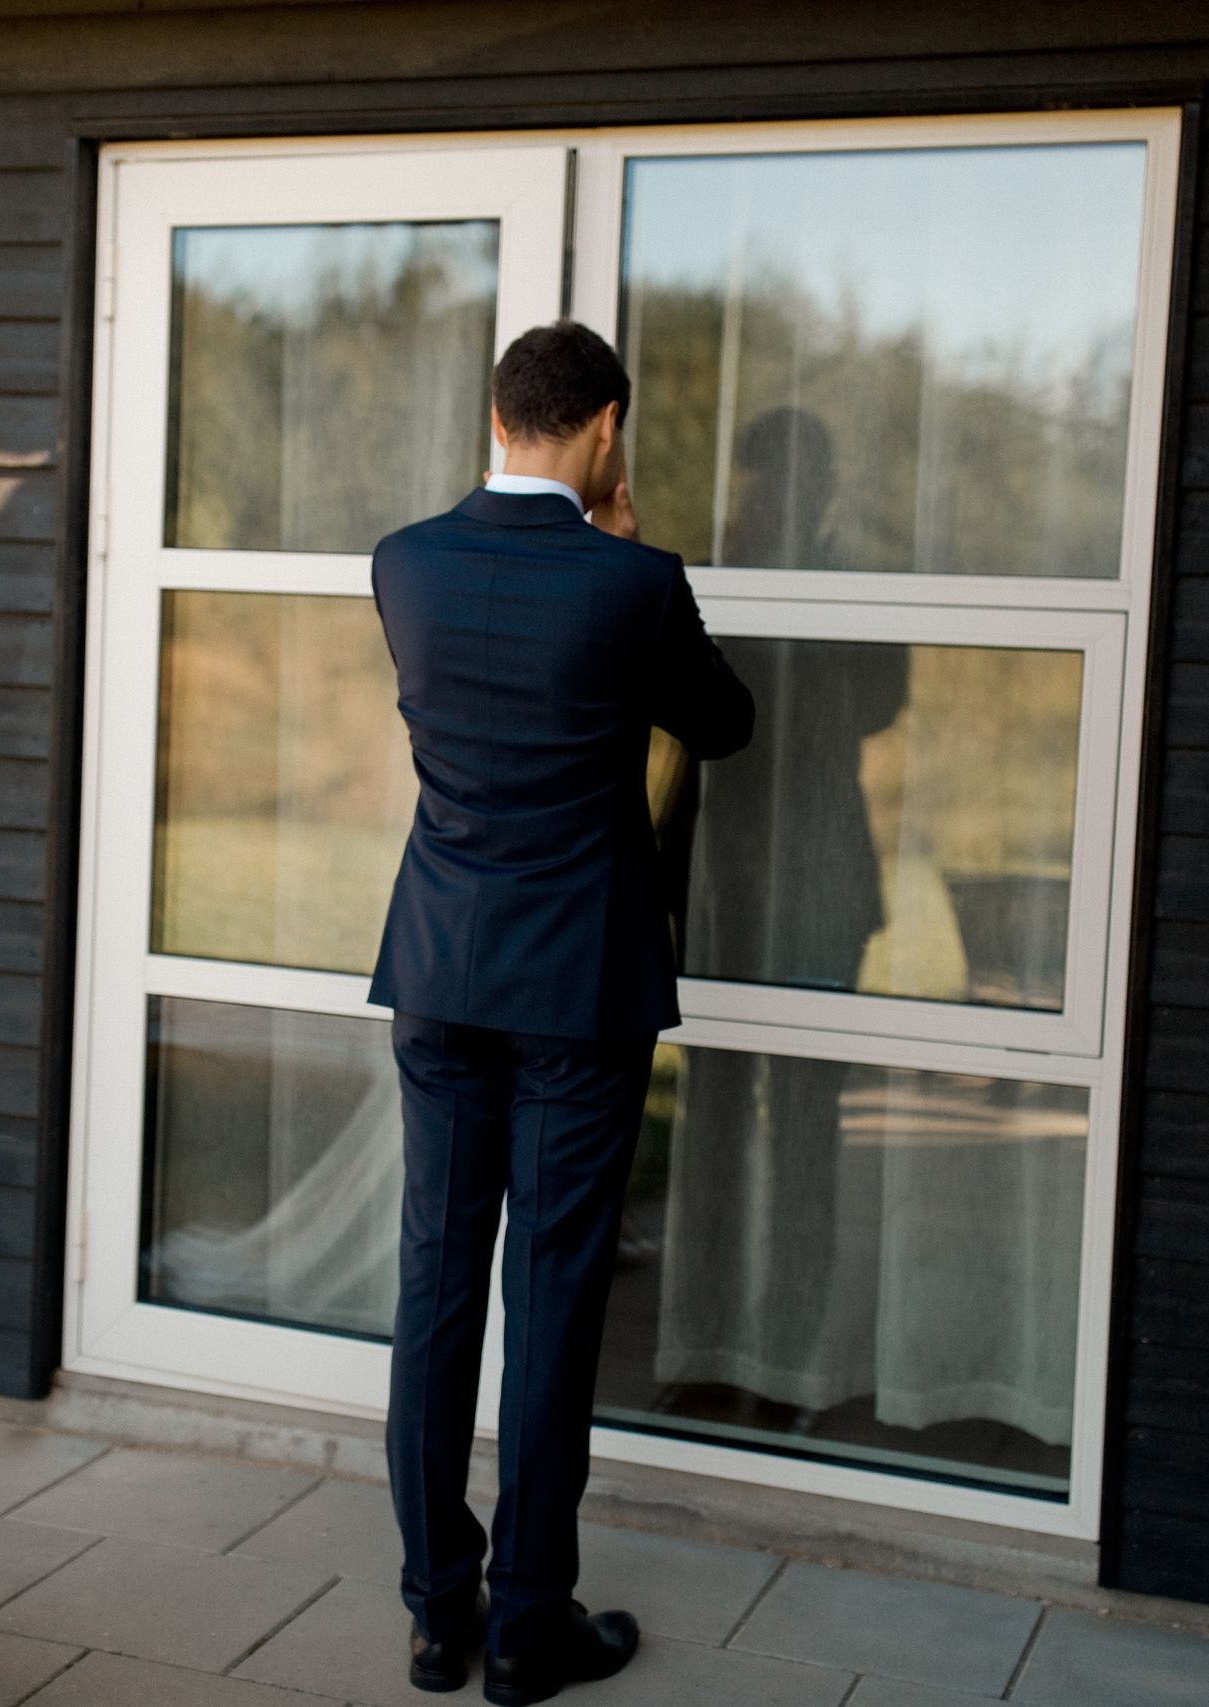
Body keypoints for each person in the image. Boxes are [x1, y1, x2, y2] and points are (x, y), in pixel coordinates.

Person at [371, 323, 755, 1705]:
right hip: (580, 987)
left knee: (436, 1287)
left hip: (442, 969)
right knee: (551, 1296)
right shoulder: (633, 581)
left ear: (496, 421)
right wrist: (627, 550)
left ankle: (438, 1614)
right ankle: (529, 1624)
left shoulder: (404, 562)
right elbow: (723, 723)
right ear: (604, 429)